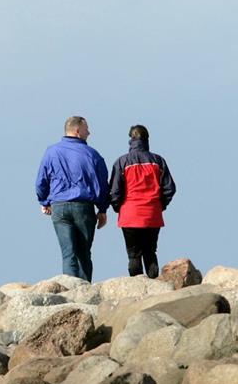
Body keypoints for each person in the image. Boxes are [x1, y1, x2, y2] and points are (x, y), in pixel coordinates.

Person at [35, 116, 110, 281]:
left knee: (68, 253)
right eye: (86, 129)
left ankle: (70, 289)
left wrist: (44, 201)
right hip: (83, 207)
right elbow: (102, 184)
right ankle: (84, 290)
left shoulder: (51, 152)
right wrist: (102, 209)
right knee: (83, 254)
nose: (89, 132)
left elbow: (41, 181)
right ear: (77, 131)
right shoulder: (92, 154)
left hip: (59, 206)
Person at [108, 124, 176, 278]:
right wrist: (160, 205)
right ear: (147, 139)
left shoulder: (122, 162)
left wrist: (118, 207)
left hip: (130, 213)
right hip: (152, 213)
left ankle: (137, 285)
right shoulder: (158, 161)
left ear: (130, 140)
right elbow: (170, 188)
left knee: (134, 254)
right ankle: (153, 283)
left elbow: (114, 190)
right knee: (150, 252)